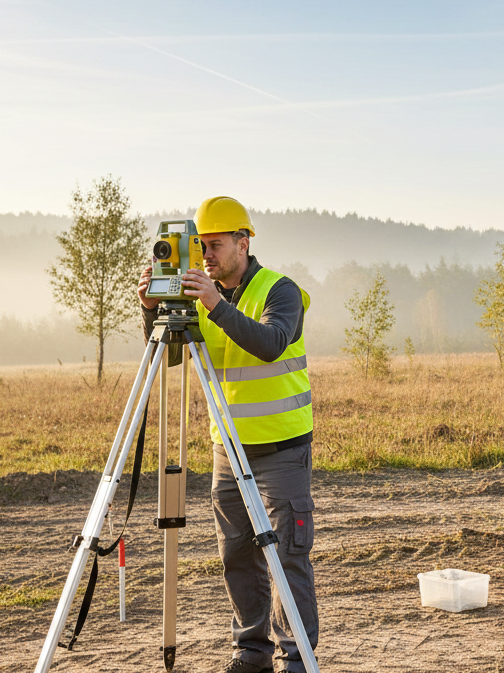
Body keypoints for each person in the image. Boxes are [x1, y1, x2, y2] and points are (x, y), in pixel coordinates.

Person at [139, 196, 318, 673]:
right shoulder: (198, 296)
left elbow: (270, 344)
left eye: (215, 246)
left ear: (243, 242)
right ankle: (252, 652)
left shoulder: (280, 290)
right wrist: (151, 308)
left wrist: (213, 305)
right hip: (228, 449)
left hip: (282, 449)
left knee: (287, 559)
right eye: (201, 248)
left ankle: (296, 658)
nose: (207, 257)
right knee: (237, 554)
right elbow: (171, 358)